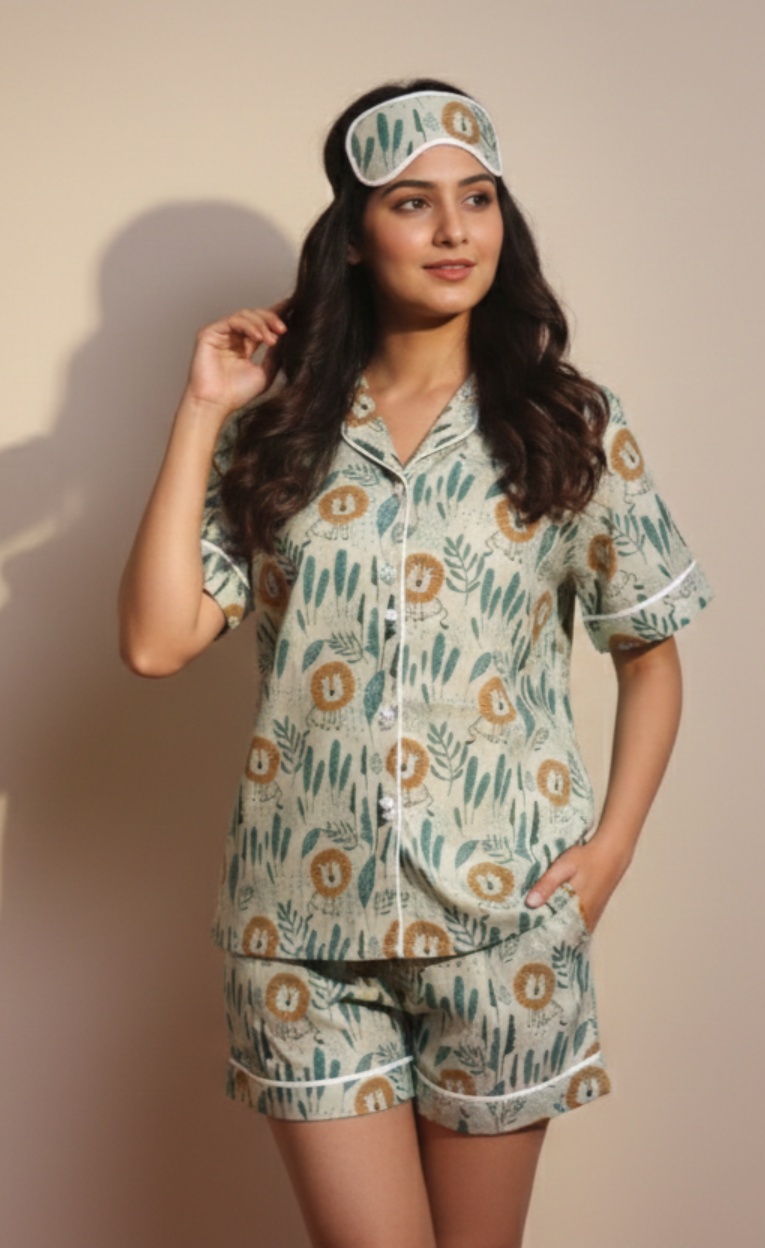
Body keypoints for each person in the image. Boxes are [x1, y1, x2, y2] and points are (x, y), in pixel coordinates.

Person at [118, 79, 714, 1248]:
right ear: (353, 235)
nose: (453, 229)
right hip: (301, 934)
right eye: (412, 202)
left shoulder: (568, 423)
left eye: (477, 199)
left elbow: (650, 653)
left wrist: (608, 855)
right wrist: (200, 412)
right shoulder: (278, 428)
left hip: (504, 923)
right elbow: (154, 639)